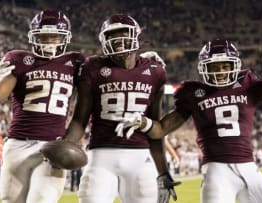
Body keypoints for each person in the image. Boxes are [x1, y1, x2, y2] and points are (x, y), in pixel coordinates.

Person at [116, 3, 262, 203]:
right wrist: (144, 123)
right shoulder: (193, 92)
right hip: (216, 171)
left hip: (249, 168)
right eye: (214, 67)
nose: (220, 71)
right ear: (203, 68)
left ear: (235, 65)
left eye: (225, 66)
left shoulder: (247, 85)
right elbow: (162, 129)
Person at [64, 14, 179, 203]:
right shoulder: (92, 67)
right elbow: (79, 119)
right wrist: (66, 143)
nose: (117, 39)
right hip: (101, 155)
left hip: (140, 158)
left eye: (123, 33)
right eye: (111, 35)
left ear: (136, 36)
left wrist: (163, 172)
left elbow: (156, 129)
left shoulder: (155, 71)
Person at [0, 10, 85, 203]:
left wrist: (142, 62)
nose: (49, 41)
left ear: (64, 38)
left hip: (52, 146)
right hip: (17, 144)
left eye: (55, 37)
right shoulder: (19, 59)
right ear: (33, 36)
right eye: (44, 36)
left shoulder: (75, 62)